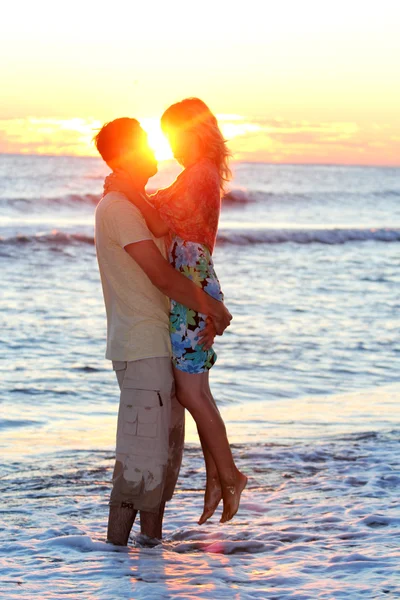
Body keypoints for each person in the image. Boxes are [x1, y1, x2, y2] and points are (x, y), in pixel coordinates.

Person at [104, 99, 247, 525]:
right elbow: (160, 215)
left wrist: (127, 191)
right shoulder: (197, 173)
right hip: (191, 285)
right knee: (195, 389)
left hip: (191, 285)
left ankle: (229, 475)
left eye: (172, 136)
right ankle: (217, 478)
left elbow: (162, 222)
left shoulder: (200, 175)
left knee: (192, 392)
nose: (169, 146)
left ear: (193, 132)